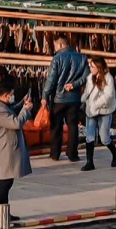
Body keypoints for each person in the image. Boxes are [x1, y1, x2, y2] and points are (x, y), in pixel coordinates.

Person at [0, 77, 34, 223]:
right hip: (6, 151)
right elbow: (16, 122)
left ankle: (2, 212)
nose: (12, 96)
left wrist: (22, 103)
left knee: (6, 182)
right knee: (4, 183)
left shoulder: (1, 106)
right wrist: (26, 110)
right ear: (5, 95)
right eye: (12, 94)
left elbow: (12, 110)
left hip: (8, 149)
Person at [41, 34, 88, 162]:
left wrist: (45, 95)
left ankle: (55, 153)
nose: (54, 47)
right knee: (72, 126)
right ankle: (72, 154)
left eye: (55, 45)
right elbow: (86, 77)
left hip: (59, 98)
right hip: (74, 98)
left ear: (61, 44)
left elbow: (51, 80)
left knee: (56, 126)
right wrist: (75, 84)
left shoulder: (57, 59)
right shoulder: (82, 59)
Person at [80, 56, 116, 171]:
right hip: (91, 111)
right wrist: (83, 100)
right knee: (90, 136)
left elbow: (108, 96)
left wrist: (96, 104)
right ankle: (90, 162)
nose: (90, 68)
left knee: (104, 138)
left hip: (104, 110)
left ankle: (115, 153)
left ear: (98, 67)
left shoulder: (108, 78)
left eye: (92, 66)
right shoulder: (90, 78)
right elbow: (87, 92)